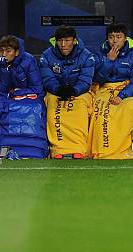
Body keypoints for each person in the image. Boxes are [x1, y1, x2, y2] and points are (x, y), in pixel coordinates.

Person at [0, 35, 48, 158]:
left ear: (17, 52)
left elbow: (38, 89)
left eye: (8, 51)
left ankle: (37, 150)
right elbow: (0, 90)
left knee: (37, 108)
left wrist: (17, 93)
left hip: (27, 97)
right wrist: (4, 69)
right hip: (4, 98)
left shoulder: (28, 60)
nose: (4, 54)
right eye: (2, 51)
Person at [91, 22, 133, 159]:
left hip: (128, 92)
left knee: (129, 107)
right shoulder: (99, 56)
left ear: (125, 38)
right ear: (107, 39)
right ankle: (102, 150)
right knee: (101, 108)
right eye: (111, 37)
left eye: (118, 36)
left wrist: (122, 96)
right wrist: (109, 61)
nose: (115, 40)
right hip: (104, 90)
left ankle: (123, 151)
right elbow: (97, 79)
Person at [40, 25, 95, 159]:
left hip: (80, 92)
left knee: (79, 106)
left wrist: (74, 90)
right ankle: (57, 149)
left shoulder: (87, 56)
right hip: (55, 91)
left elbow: (86, 80)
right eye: (60, 41)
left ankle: (79, 149)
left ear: (74, 40)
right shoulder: (47, 56)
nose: (63, 45)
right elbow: (47, 79)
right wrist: (57, 89)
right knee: (54, 105)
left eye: (67, 40)